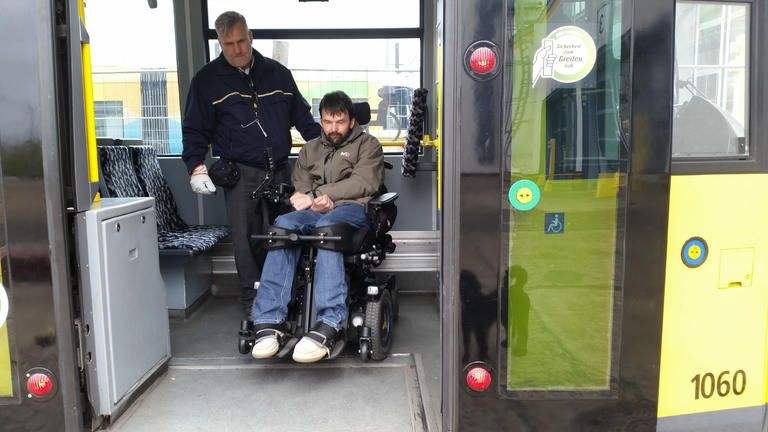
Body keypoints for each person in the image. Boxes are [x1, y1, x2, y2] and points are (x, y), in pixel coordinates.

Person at [181, 11, 320, 312]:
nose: (237, 49)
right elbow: (194, 130)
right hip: (241, 175)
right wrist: (196, 167)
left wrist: (331, 150)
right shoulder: (206, 81)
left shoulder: (278, 74)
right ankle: (254, 304)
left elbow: (305, 121)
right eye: (229, 44)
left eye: (242, 41)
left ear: (251, 36)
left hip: (282, 171)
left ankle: (288, 298)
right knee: (246, 242)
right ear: (220, 43)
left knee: (287, 234)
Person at [250, 91, 384, 363]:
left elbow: (363, 183)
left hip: (353, 209)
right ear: (321, 121)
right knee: (282, 226)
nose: (334, 128)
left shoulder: (369, 145)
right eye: (328, 122)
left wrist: (323, 196)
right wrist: (311, 200)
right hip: (314, 210)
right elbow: (301, 185)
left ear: (351, 120)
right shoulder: (309, 149)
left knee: (327, 228)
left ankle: (331, 321)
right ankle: (270, 320)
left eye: (340, 122)